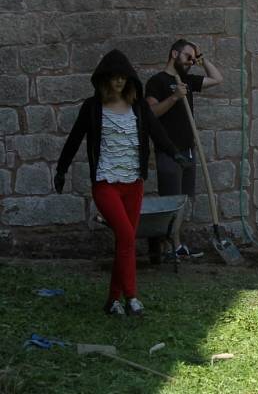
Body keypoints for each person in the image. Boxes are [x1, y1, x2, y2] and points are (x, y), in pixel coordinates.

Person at [55, 50, 189, 316]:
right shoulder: (92, 108)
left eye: (122, 78)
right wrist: (61, 169)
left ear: (129, 80)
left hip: (133, 183)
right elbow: (74, 139)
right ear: (104, 80)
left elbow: (157, 132)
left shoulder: (138, 107)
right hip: (106, 183)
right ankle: (132, 297)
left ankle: (113, 300)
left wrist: (174, 153)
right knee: (127, 236)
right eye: (113, 78)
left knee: (123, 242)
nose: (118, 82)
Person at [145, 39, 223, 260]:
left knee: (184, 201)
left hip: (188, 149)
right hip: (169, 151)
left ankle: (175, 245)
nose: (190, 61)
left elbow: (217, 79)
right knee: (171, 200)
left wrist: (202, 59)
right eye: (187, 56)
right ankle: (169, 246)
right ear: (173, 54)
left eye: (193, 58)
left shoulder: (187, 80)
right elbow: (152, 114)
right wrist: (174, 97)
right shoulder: (157, 82)